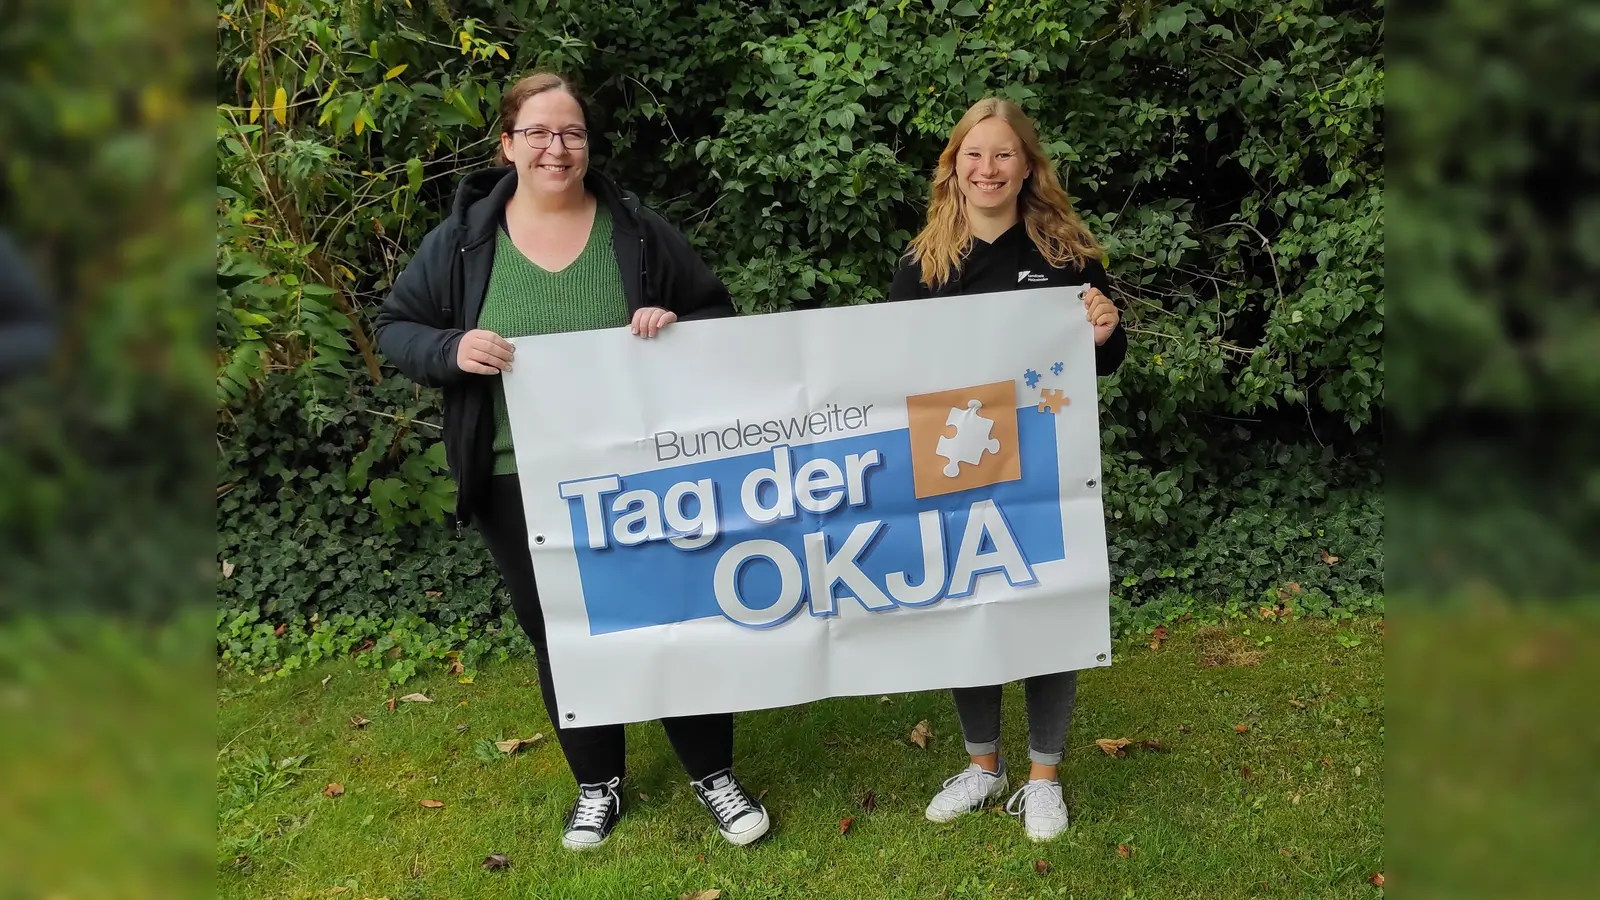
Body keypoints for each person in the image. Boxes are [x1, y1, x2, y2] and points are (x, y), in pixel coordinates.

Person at [373, 71, 769, 851]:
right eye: (540, 133)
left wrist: (675, 324)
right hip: (517, 479)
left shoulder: (637, 231)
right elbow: (397, 328)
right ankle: (598, 784)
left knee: (672, 618)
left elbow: (717, 311)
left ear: (587, 144)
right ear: (508, 145)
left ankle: (712, 775)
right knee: (560, 630)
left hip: (641, 471)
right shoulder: (462, 242)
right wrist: (452, 348)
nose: (558, 148)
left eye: (573, 133)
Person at [887, 97, 1127, 841]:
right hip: (952, 461)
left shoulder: (1066, 257)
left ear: (1027, 167)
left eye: (1002, 155)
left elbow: (1103, 361)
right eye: (973, 155)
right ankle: (982, 766)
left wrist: (1106, 330)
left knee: (1047, 604)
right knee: (971, 606)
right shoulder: (921, 264)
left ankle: (1043, 775)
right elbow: (890, 369)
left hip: (1044, 462)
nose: (987, 168)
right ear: (953, 167)